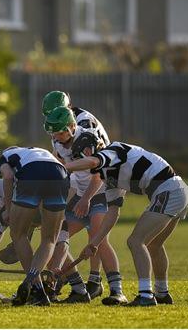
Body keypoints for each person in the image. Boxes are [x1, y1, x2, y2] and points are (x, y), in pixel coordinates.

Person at [69, 131, 188, 306]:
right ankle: (162, 293)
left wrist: (65, 166)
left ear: (89, 150)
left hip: (169, 190)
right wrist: (94, 243)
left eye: (80, 157)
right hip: (177, 190)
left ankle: (146, 295)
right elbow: (113, 213)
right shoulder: (109, 175)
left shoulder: (113, 150)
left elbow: (94, 161)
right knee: (154, 244)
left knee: (135, 241)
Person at [43, 106, 127, 305]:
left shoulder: (86, 139)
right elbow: (66, 173)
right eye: (54, 132)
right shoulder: (58, 139)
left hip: (100, 194)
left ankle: (117, 291)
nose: (57, 136)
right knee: (53, 239)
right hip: (80, 194)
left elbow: (99, 173)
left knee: (99, 240)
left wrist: (85, 199)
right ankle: (74, 285)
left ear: (72, 126)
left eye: (61, 132)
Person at [0, 146, 70, 306]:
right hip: (60, 174)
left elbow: (7, 177)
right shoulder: (38, 152)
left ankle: (37, 289)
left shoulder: (4, 156)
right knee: (49, 239)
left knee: (17, 234)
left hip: (31, 173)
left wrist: (9, 210)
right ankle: (32, 281)